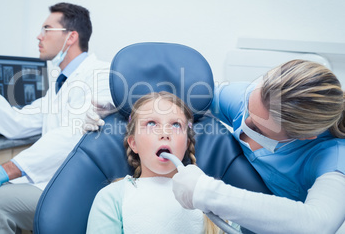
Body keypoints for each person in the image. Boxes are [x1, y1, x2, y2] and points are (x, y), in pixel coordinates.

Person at [0, 2, 113, 233]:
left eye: (46, 29)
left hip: (73, 187)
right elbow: (18, 122)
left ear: (71, 37)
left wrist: (3, 171)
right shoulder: (60, 85)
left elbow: (74, 135)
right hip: (47, 179)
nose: (39, 36)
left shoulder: (100, 74)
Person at [172, 59, 345, 233]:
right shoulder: (245, 98)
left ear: (304, 137)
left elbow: (317, 225)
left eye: (256, 128)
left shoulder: (333, 157)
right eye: (249, 108)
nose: (244, 123)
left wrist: (206, 192)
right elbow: (182, 102)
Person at [86, 92, 222, 234]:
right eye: (151, 123)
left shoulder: (210, 196)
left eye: (176, 125)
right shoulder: (112, 198)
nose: (165, 133)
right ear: (133, 144)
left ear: (186, 144)